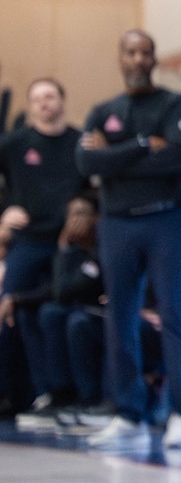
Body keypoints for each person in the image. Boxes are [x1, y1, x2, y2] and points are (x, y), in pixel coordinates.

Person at [73, 31, 181, 451]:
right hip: (117, 224)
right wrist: (143, 146)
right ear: (121, 57)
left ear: (153, 58)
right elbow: (87, 162)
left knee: (175, 317)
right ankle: (129, 414)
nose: (138, 58)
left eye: (145, 52)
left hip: (167, 221)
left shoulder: (174, 105)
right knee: (119, 317)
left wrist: (116, 157)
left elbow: (176, 159)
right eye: (130, 51)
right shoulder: (103, 109)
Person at [0, 78, 84, 419]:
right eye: (36, 99)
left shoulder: (79, 143)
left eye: (50, 96)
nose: (43, 104)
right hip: (27, 240)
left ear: (62, 100)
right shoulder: (15, 143)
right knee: (9, 309)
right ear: (30, 106)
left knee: (53, 314)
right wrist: (3, 215)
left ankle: (60, 394)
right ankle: (8, 395)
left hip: (66, 245)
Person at [5, 193, 107, 431]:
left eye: (83, 214)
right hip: (76, 307)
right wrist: (65, 248)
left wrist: (67, 249)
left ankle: (82, 396)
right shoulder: (69, 248)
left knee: (63, 317)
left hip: (98, 312)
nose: (78, 221)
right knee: (32, 314)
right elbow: (58, 289)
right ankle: (52, 393)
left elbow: (71, 288)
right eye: (73, 215)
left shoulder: (99, 245)